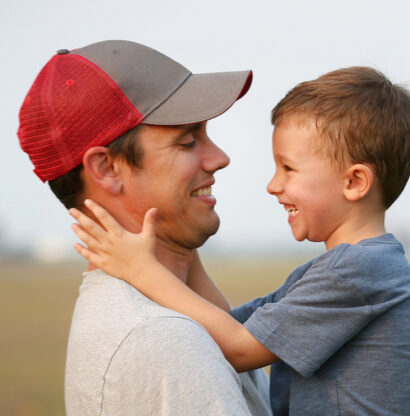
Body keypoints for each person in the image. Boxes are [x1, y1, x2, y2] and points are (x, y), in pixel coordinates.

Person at [71, 67, 410, 415]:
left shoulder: (357, 272)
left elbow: (240, 349)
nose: (273, 185)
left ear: (354, 182)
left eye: (288, 168)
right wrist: (181, 242)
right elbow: (229, 324)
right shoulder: (348, 270)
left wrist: (141, 270)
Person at [17, 40, 271, 415]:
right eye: (188, 141)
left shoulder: (169, 316)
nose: (220, 158)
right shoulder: (162, 338)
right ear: (107, 169)